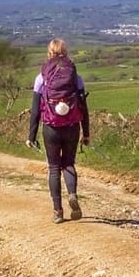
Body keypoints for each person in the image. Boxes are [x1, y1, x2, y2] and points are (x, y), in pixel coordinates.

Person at [26, 39, 90, 223]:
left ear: (49, 53)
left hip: (51, 128)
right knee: (68, 163)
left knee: (54, 168)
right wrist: (86, 133)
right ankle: (72, 194)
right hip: (72, 126)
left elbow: (36, 110)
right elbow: (83, 108)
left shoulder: (41, 78)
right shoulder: (76, 78)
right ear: (66, 53)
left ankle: (58, 212)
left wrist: (31, 136)